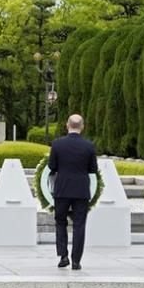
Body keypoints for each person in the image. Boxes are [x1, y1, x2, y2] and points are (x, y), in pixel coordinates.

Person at [47, 114, 98, 271]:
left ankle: (63, 256)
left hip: (62, 189)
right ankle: (76, 260)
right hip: (81, 190)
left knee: (61, 222)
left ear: (67, 125)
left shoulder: (57, 144)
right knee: (79, 225)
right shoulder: (89, 145)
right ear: (82, 127)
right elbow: (93, 169)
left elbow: (51, 166)